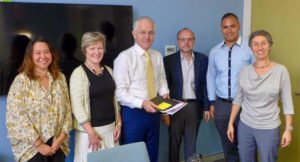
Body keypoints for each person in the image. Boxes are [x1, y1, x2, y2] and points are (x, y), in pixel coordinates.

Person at [227, 30, 294, 162]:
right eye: (255, 44)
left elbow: (287, 103)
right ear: (251, 48)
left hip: (269, 128)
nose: (260, 47)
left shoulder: (281, 71)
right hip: (245, 126)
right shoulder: (245, 70)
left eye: (263, 43)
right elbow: (238, 99)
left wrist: (288, 129)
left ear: (270, 45)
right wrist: (230, 123)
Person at [6, 36, 72, 162]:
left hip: (57, 145)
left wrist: (61, 138)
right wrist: (39, 145)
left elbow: (67, 111)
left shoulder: (60, 78)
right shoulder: (21, 81)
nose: (43, 56)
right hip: (31, 148)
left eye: (46, 52)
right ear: (30, 56)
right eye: (38, 53)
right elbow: (16, 118)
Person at [113, 16, 169, 162]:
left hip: (155, 110)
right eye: (143, 32)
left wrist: (164, 93)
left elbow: (161, 79)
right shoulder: (124, 58)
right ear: (134, 34)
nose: (147, 36)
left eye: (151, 33)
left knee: (152, 154)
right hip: (133, 115)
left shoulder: (156, 56)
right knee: (133, 156)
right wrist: (142, 103)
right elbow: (119, 92)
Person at [206, 12, 255, 162]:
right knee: (228, 144)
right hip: (222, 105)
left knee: (247, 143)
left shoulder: (250, 48)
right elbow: (211, 76)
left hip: (245, 104)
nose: (229, 30)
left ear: (238, 26)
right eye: (225, 27)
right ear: (221, 29)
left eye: (232, 26)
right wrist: (212, 102)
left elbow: (258, 74)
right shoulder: (215, 51)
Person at [70, 32, 121, 162]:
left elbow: (115, 100)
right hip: (90, 135)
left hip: (111, 131)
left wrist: (119, 124)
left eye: (100, 48)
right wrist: (91, 133)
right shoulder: (78, 74)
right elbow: (77, 107)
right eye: (92, 48)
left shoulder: (109, 70)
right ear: (84, 50)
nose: (96, 52)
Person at [163, 28, 210, 162]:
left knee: (191, 145)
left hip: (194, 106)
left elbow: (205, 85)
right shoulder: (168, 60)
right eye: (183, 39)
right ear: (178, 41)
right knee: (174, 144)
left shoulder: (202, 59)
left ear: (194, 41)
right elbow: (163, 87)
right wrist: (164, 112)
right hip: (174, 106)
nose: (186, 42)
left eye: (189, 39)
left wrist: (207, 107)